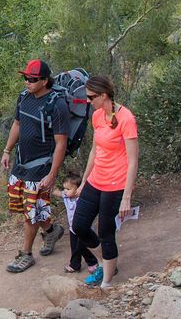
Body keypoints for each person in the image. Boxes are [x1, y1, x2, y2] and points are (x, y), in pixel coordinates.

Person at [1, 59, 68, 273]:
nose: (27, 82)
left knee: (30, 212)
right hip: (21, 162)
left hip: (41, 167)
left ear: (45, 80)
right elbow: (17, 124)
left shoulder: (56, 105)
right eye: (25, 77)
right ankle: (51, 231)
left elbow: (61, 144)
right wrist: (7, 151)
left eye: (32, 79)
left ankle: (26, 254)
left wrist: (52, 174)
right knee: (26, 206)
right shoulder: (24, 97)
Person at [71, 75, 139, 288]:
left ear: (104, 95)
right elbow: (94, 150)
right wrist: (83, 182)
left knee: (106, 233)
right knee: (79, 225)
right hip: (95, 180)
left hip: (115, 184)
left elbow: (133, 160)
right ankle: (107, 260)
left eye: (91, 97)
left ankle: (107, 281)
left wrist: (126, 197)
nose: (89, 102)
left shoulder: (126, 118)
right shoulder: (97, 116)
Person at [57, 172, 99, 274]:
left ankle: (93, 262)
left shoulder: (82, 199)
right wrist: (46, 185)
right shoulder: (66, 196)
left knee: (83, 246)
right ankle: (75, 265)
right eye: (64, 188)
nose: (65, 191)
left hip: (84, 229)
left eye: (68, 189)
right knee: (74, 247)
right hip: (72, 228)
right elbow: (56, 192)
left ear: (78, 189)